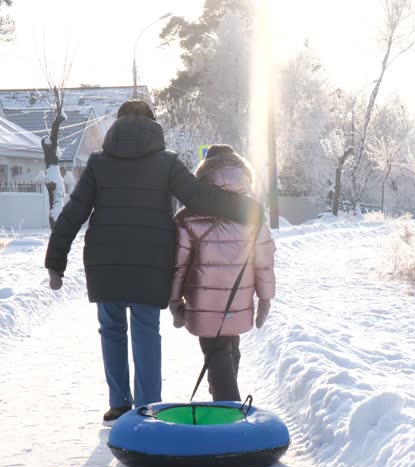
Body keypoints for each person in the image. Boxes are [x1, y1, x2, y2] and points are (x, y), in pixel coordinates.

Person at [44, 101, 263, 425]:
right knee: (145, 330)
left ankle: (119, 405)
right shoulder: (167, 162)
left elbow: (73, 212)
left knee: (111, 329)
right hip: (151, 260)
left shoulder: (98, 163)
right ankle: (147, 408)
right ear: (153, 126)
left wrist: (55, 260)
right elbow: (199, 198)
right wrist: (245, 208)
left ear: (117, 126)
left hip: (105, 261)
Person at [169, 146, 275, 401]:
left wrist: (174, 301)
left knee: (217, 355)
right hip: (239, 298)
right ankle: (224, 402)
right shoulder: (253, 212)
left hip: (203, 301)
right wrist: (265, 298)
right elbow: (264, 262)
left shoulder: (188, 215)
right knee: (230, 350)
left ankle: (227, 411)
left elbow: (179, 265)